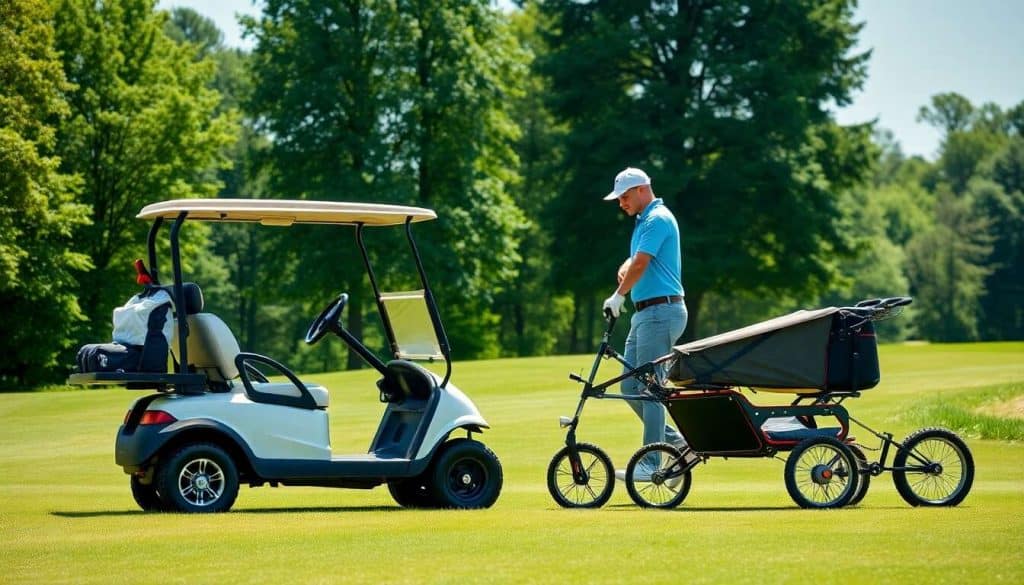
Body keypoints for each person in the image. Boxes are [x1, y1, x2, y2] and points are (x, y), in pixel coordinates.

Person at [601, 167, 690, 481]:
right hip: (646, 314)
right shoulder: (644, 221)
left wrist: (618, 295)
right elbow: (637, 259)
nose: (621, 203)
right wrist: (627, 264)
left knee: (650, 388)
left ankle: (652, 463)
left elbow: (641, 262)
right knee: (630, 387)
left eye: (624, 196)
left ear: (641, 190)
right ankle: (678, 444)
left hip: (661, 312)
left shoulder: (657, 218)